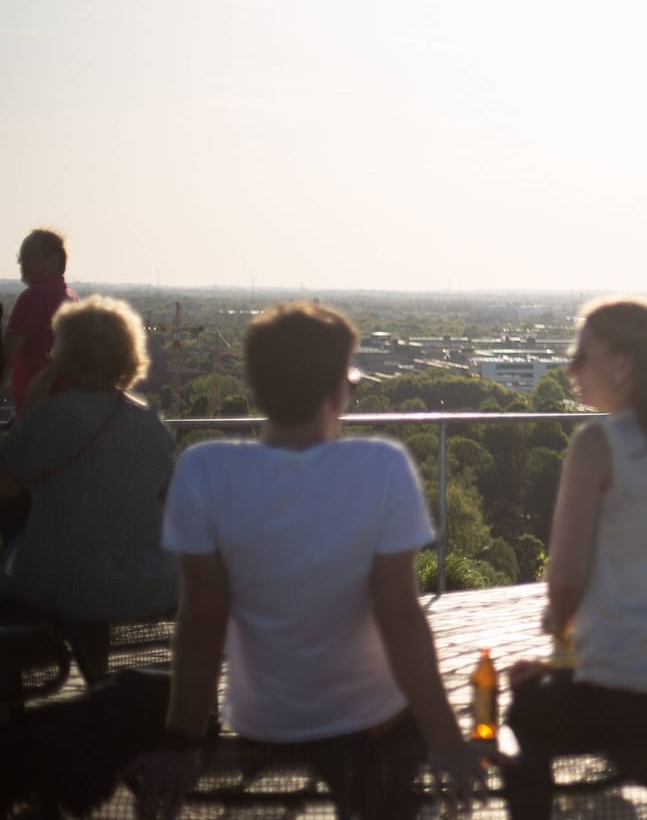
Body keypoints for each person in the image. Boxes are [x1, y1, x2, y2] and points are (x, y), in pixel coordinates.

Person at [129, 302, 485, 819]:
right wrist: (446, 740)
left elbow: (203, 617)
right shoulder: (381, 467)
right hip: (371, 725)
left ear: (256, 386)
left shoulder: (204, 470)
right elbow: (400, 616)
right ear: (338, 389)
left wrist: (182, 740)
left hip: (261, 721)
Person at [502, 298, 647, 820]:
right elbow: (645, 588)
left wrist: (556, 647)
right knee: (620, 723)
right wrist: (558, 664)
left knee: (528, 714)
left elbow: (565, 583)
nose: (571, 368)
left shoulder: (598, 444)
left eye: (582, 355)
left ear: (623, 364)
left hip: (637, 684)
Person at [0, 297, 177, 708]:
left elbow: (6, 485)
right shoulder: (149, 423)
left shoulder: (51, 417)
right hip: (153, 578)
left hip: (70, 582)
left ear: (66, 355)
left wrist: (30, 411)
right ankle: (105, 692)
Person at [5, 229, 76, 414]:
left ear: (53, 259)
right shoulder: (71, 298)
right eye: (20, 256)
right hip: (65, 413)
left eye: (28, 255)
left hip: (37, 415)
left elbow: (4, 359)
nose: (21, 262)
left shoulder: (33, 298)